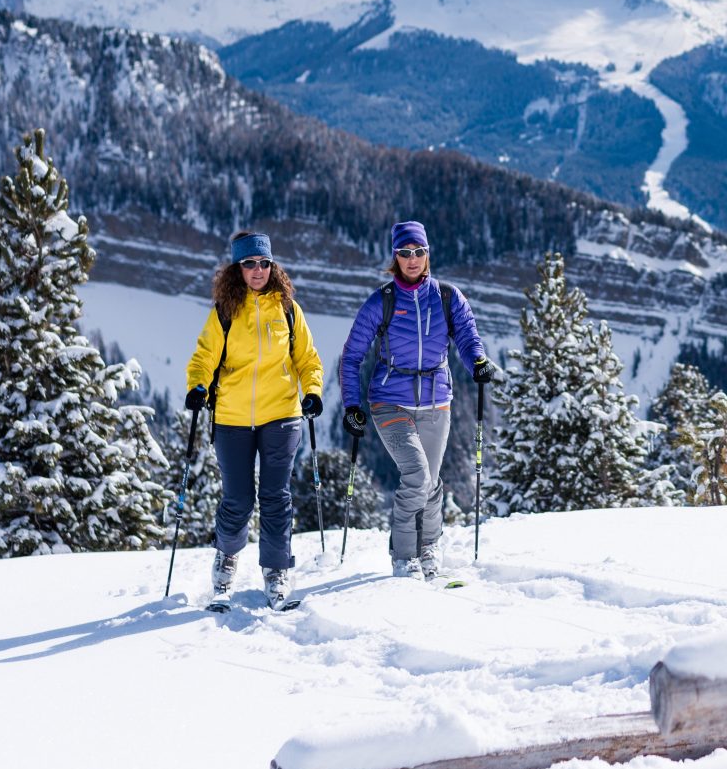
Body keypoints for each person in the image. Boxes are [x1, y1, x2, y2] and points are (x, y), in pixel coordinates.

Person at [339, 220, 502, 580]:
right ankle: (403, 556)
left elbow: (467, 336)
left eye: (419, 252)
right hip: (389, 401)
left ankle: (429, 548)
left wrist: (477, 360)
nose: (412, 259)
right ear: (394, 257)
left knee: (431, 482)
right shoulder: (380, 302)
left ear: (428, 255)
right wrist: (352, 405)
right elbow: (351, 356)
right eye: (404, 253)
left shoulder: (447, 297)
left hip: (436, 400)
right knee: (416, 474)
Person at [185, 231, 325, 606]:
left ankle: (276, 571)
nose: (258, 270)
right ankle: (227, 557)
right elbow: (203, 357)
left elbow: (308, 360)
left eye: (264, 263)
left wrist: (312, 392)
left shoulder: (289, 310)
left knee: (276, 496)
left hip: (281, 414)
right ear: (238, 268)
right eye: (250, 264)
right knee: (238, 499)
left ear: (272, 265)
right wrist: (198, 386)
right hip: (231, 417)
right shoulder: (225, 311)